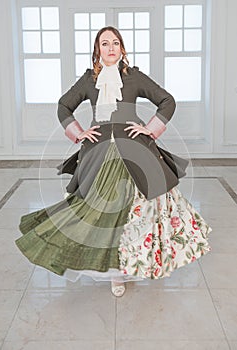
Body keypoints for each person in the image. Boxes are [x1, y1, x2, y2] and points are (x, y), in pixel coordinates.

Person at [15, 26, 212, 297]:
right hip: (99, 153)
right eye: (104, 43)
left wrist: (150, 129)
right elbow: (63, 106)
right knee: (101, 213)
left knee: (142, 211)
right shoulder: (88, 80)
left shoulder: (134, 77)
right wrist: (79, 132)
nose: (110, 48)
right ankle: (113, 274)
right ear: (97, 50)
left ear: (122, 48)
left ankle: (135, 262)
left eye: (115, 43)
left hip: (137, 151)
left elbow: (167, 101)